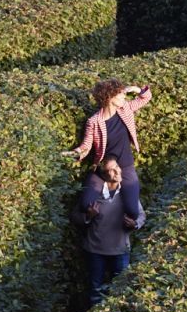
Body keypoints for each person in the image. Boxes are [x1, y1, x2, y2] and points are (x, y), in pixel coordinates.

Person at [64, 77, 152, 221]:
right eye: (120, 93)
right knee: (85, 205)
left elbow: (145, 98)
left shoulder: (125, 109)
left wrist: (136, 89)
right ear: (110, 97)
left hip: (125, 165)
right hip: (103, 169)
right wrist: (73, 154)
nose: (124, 95)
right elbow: (86, 146)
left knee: (133, 212)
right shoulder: (94, 122)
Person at [70, 156, 146, 307]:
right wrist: (88, 216)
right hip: (96, 250)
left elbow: (142, 215)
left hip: (120, 250)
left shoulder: (127, 193)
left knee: (121, 291)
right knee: (95, 291)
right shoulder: (93, 194)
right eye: (111, 170)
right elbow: (75, 217)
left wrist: (135, 224)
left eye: (117, 167)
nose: (117, 171)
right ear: (104, 175)